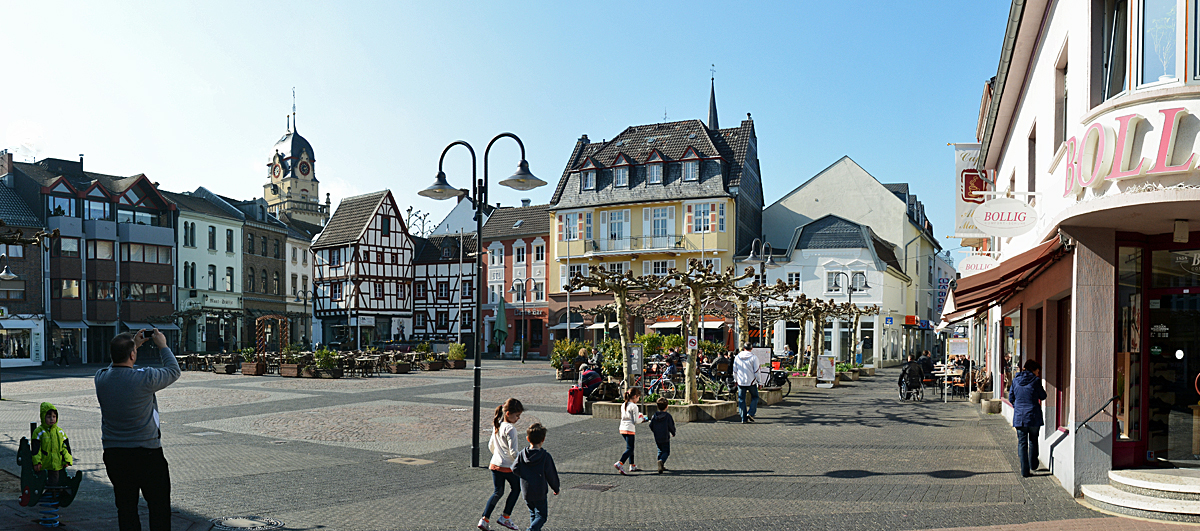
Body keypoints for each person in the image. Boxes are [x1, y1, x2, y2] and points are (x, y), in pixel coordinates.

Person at [94, 328, 180, 531]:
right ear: (133, 355)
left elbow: (114, 366)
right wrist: (163, 346)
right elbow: (173, 371)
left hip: (115, 454)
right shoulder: (145, 378)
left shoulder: (101, 379)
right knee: (158, 507)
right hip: (147, 453)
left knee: (126, 507)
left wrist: (132, 345)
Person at [478, 398, 525, 531]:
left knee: (498, 492)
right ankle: (505, 516)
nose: (518, 419)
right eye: (517, 416)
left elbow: (491, 445)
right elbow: (513, 452)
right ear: (508, 413)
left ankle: (484, 519)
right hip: (507, 466)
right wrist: (522, 463)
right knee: (516, 489)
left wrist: (497, 456)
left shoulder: (497, 424)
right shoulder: (511, 429)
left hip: (495, 464)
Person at [513, 423, 559, 531]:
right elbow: (551, 474)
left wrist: (524, 474)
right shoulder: (545, 456)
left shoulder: (522, 454)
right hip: (539, 491)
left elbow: (514, 468)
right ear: (543, 439)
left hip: (526, 490)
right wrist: (556, 488)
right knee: (542, 516)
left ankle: (533, 529)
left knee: (533, 513)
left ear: (528, 439)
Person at [1010, 359, 1047, 477]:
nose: (1038, 374)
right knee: (1033, 440)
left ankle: (1024, 471)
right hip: (1033, 415)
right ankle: (1033, 464)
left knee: (1022, 443)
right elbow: (1043, 396)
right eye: (1037, 371)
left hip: (1020, 417)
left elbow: (1011, 398)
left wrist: (1018, 407)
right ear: (1033, 369)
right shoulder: (1035, 381)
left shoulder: (1015, 380)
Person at [32, 402, 72, 489]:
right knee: (41, 481)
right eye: (49, 417)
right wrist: (37, 462)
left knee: (54, 481)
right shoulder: (39, 432)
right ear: (43, 417)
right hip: (43, 463)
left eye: (54, 417)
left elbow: (65, 447)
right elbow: (36, 449)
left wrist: (67, 459)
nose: (51, 419)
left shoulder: (60, 432)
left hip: (56, 464)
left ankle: (53, 494)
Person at [614, 387, 647, 474]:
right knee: (630, 448)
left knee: (630, 447)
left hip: (622, 428)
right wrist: (643, 419)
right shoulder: (634, 406)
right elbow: (636, 421)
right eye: (638, 397)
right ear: (635, 396)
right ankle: (620, 463)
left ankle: (632, 465)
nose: (638, 399)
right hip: (630, 429)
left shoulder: (624, 404)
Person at [733, 343, 761, 424]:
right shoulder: (754, 358)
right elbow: (757, 371)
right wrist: (760, 382)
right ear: (751, 348)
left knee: (741, 400)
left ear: (744, 348)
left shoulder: (737, 357)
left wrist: (736, 380)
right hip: (751, 381)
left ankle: (743, 418)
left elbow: (735, 370)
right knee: (755, 397)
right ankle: (750, 413)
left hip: (741, 382)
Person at [649, 397, 676, 474]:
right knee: (666, 451)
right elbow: (671, 426)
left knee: (659, 450)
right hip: (665, 436)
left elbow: (651, 425)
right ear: (667, 406)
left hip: (657, 436)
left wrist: (655, 431)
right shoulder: (667, 416)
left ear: (657, 406)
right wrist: (673, 432)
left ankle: (660, 463)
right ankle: (661, 461)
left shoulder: (654, 416)